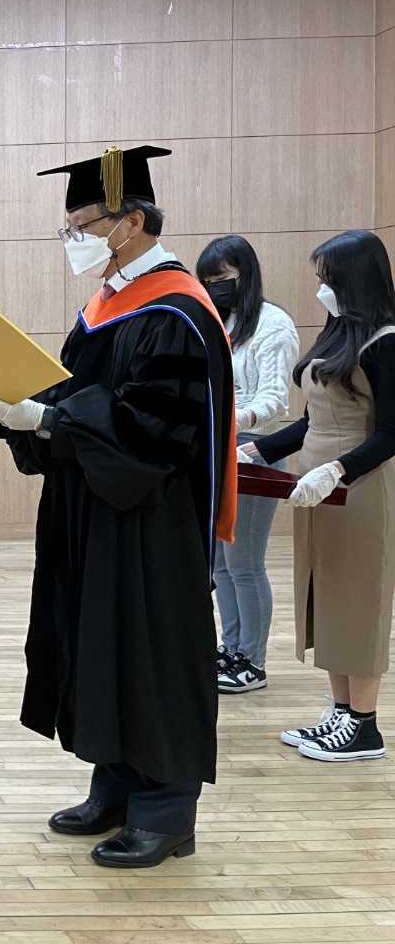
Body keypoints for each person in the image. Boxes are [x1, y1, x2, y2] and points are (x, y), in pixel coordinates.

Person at [0, 145, 237, 870]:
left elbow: (156, 428)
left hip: (151, 519)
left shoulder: (177, 312)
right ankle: (115, 787)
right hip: (96, 510)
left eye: (82, 224)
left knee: (150, 653)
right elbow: (76, 394)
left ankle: (166, 812)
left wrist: (48, 420)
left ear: (131, 221)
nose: (73, 239)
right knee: (102, 644)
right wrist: (13, 411)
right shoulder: (106, 307)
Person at [251, 230, 395, 763]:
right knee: (326, 597)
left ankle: (365, 725)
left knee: (359, 600)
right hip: (314, 485)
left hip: (359, 485)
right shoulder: (338, 336)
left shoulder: (386, 342)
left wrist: (338, 469)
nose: (321, 287)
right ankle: (341, 710)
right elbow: (312, 420)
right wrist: (258, 451)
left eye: (328, 278)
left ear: (355, 280)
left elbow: (391, 433)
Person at [197, 237, 300, 694]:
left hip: (256, 448)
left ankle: (252, 662)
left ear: (245, 274)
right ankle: (232, 647)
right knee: (220, 562)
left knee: (246, 563)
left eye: (222, 279)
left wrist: (230, 420)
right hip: (219, 449)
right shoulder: (222, 322)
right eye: (208, 281)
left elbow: (275, 400)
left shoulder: (274, 324)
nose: (215, 288)